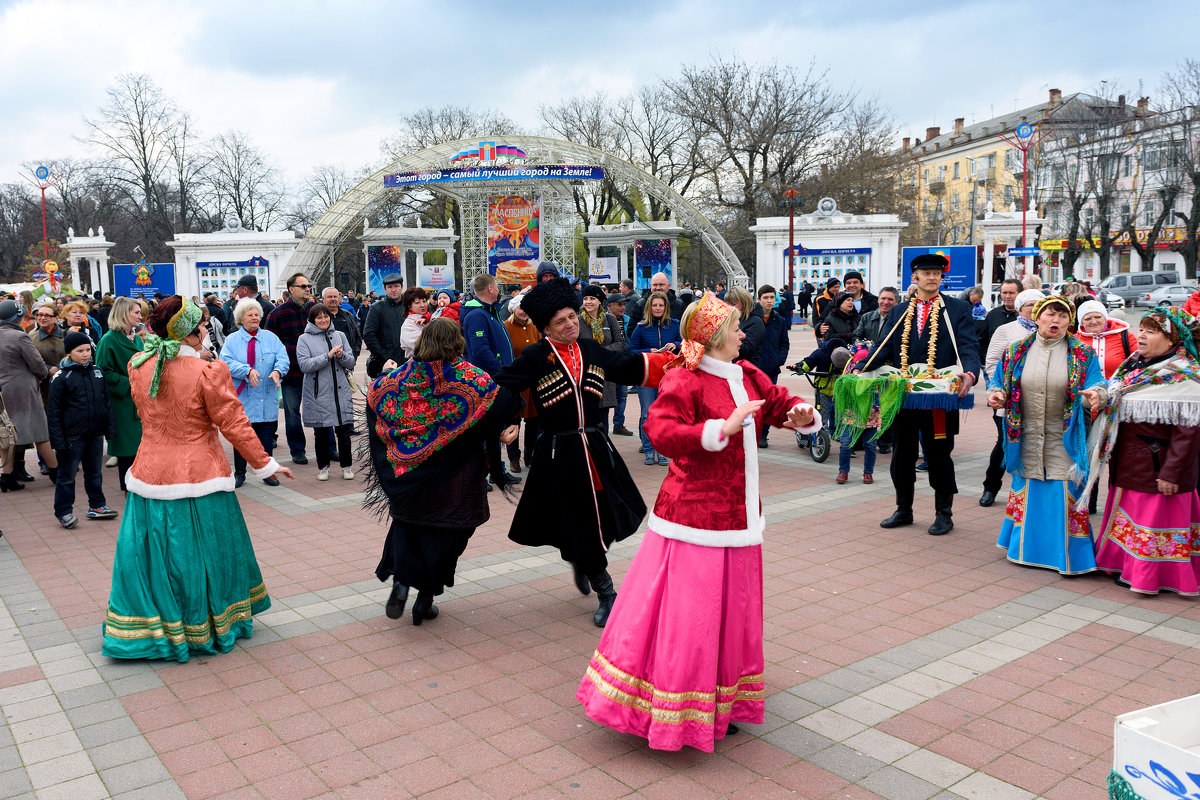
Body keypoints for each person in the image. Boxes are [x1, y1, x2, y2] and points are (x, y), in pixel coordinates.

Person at [577, 291, 820, 752]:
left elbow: (775, 402)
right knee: (695, 614)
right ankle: (678, 705)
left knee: (732, 612)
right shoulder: (684, 379)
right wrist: (721, 429)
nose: (743, 334)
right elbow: (661, 431)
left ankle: (721, 699)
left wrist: (799, 414)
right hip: (694, 517)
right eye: (734, 329)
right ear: (712, 338)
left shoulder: (746, 373)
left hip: (740, 516)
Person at [103, 296, 294, 662]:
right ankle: (205, 623)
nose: (207, 330)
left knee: (154, 554)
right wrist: (265, 463)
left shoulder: (138, 364)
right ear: (192, 334)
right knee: (201, 552)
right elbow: (234, 423)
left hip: (148, 473)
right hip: (201, 474)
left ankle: (154, 623)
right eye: (203, 326)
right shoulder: (209, 371)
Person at [494, 278, 674, 626]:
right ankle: (606, 591)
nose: (571, 324)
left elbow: (630, 366)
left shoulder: (590, 349)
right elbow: (503, 385)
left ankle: (583, 560)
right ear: (545, 327)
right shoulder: (535, 356)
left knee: (603, 518)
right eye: (561, 321)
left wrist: (675, 363)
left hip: (596, 447)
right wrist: (508, 418)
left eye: (573, 317)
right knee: (581, 520)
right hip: (560, 453)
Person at [368, 319, 521, 624]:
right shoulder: (470, 378)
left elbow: (376, 398)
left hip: (409, 476)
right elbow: (502, 402)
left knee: (408, 527)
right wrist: (501, 432)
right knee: (453, 529)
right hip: (458, 473)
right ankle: (425, 599)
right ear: (457, 343)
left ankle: (401, 583)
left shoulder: (397, 379)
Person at [860, 253, 981, 535]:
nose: (931, 277)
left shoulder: (958, 309)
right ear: (914, 277)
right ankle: (904, 509)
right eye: (925, 273)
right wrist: (860, 368)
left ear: (942, 277)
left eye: (936, 273)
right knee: (901, 455)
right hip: (904, 397)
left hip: (939, 398)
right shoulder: (901, 309)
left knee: (939, 455)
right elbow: (885, 348)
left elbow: (968, 347)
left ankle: (944, 514)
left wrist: (971, 374)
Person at [986, 296, 1105, 575]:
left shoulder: (1083, 355)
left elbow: (1098, 385)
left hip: (1065, 435)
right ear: (1037, 317)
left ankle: (1068, 558)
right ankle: (1024, 550)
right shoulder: (1016, 351)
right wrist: (996, 394)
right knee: (1029, 485)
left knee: (1063, 488)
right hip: (1025, 434)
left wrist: (1095, 395)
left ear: (1069, 322)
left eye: (1063, 317)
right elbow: (998, 382)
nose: (1056, 321)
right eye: (1051, 315)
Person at [1086, 305, 1200, 595]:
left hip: (1157, 468)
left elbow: (1188, 432)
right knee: (1131, 522)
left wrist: (1172, 472)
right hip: (1130, 462)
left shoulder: (1184, 376)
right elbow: (1115, 397)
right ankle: (1125, 565)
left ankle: (1153, 576)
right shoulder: (1135, 366)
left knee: (1152, 527)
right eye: (1141, 330)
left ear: (1173, 339)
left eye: (1151, 332)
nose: (1142, 336)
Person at [979, 289, 1044, 507]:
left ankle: (1029, 492)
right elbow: (992, 361)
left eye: (1039, 306)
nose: (1035, 310)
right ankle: (991, 487)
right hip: (1009, 400)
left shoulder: (1051, 331)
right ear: (1020, 308)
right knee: (1004, 443)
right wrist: (997, 389)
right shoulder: (1006, 330)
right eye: (1030, 306)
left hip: (1041, 400)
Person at [48, 332, 118, 528]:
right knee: (67, 476)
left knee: (95, 473)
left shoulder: (97, 372)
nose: (85, 354)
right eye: (80, 351)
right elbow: (53, 412)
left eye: (88, 349)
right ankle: (63, 511)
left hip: (95, 434)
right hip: (72, 437)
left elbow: (106, 402)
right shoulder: (61, 377)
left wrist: (110, 430)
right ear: (69, 352)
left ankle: (97, 505)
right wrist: (58, 441)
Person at [220, 299, 288, 488]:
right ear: (241, 318)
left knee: (266, 438)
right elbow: (225, 362)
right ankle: (240, 472)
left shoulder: (270, 338)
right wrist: (246, 370)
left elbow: (283, 358)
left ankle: (268, 473)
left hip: (266, 395)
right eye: (250, 315)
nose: (255, 318)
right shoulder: (232, 340)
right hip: (243, 397)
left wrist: (278, 371)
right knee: (242, 438)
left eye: (257, 314)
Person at [0, 300, 57, 491]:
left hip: (3, 391)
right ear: (17, 317)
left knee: (6, 435)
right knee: (40, 432)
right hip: (23, 390)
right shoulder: (19, 337)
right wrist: (41, 375)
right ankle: (56, 472)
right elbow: (38, 364)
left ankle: (6, 477)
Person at [297, 305, 356, 481]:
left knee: (344, 431)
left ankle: (347, 466)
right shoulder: (304, 339)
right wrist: (327, 356)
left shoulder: (340, 335)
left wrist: (341, 356)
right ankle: (323, 467)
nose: (323, 320)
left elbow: (351, 361)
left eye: (326, 317)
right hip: (318, 392)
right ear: (312, 320)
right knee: (321, 433)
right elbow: (305, 365)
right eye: (319, 318)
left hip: (340, 391)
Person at [94, 298, 145, 492]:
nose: (140, 317)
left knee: (140, 448)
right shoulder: (108, 340)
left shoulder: (137, 338)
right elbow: (103, 373)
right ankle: (128, 489)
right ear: (124, 314)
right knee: (127, 449)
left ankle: (139, 486)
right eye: (136, 313)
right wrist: (131, 382)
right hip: (122, 404)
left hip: (139, 401)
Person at [265, 273, 315, 464]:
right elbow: (270, 345)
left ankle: (329, 447)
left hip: (315, 371)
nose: (307, 289)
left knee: (322, 410)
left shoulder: (315, 310)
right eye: (303, 286)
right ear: (291, 289)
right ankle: (298, 450)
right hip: (291, 373)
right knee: (292, 412)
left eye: (308, 285)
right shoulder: (277, 314)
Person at [628, 290, 681, 466]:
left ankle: (662, 450)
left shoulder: (674, 325)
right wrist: (648, 351)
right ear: (649, 307)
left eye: (661, 305)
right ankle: (649, 450)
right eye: (654, 305)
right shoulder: (641, 327)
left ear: (665, 307)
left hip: (668, 376)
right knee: (647, 414)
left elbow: (686, 343)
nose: (657, 308)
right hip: (647, 375)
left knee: (665, 414)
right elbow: (631, 350)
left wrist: (676, 344)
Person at [578, 284, 627, 433]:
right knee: (587, 416)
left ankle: (603, 451)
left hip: (605, 374)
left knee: (603, 418)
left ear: (600, 301)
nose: (588, 302)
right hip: (585, 374)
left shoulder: (609, 319)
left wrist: (602, 352)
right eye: (585, 298)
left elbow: (620, 343)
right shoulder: (577, 320)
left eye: (592, 298)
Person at [502, 293, 541, 472]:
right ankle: (514, 457)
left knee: (533, 421)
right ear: (513, 309)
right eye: (520, 308)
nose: (524, 311)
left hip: (533, 380)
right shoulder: (506, 327)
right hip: (515, 381)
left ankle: (530, 454)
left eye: (526, 308)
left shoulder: (535, 326)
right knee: (514, 420)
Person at [362, 273, 406, 378]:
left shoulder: (409, 306)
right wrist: (384, 357)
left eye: (396, 286)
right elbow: (369, 334)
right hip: (386, 365)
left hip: (409, 362)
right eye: (390, 287)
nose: (393, 289)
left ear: (402, 287)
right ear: (385, 289)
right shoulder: (377, 308)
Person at [1076, 300, 1133, 380]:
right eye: (1088, 319)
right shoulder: (1074, 340)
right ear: (1081, 322)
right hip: (1084, 391)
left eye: (1098, 317)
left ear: (1105, 318)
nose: (1094, 321)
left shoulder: (1126, 337)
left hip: (1118, 390)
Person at [979, 279, 1021, 359]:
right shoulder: (992, 314)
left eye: (1011, 293)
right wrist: (985, 358)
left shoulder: (1025, 317)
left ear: (1020, 294)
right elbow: (982, 340)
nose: (1007, 296)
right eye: (1004, 293)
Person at [321, 287, 363, 358]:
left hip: (347, 360)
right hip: (325, 360)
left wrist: (354, 354)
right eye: (330, 297)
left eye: (335, 296)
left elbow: (357, 335)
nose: (333, 299)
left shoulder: (348, 315)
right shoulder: (318, 317)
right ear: (323, 299)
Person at [398, 287, 430, 360]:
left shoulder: (431, 318)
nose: (422, 305)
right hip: (419, 365)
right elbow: (424, 345)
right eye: (417, 303)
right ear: (409, 307)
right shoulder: (408, 325)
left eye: (424, 301)